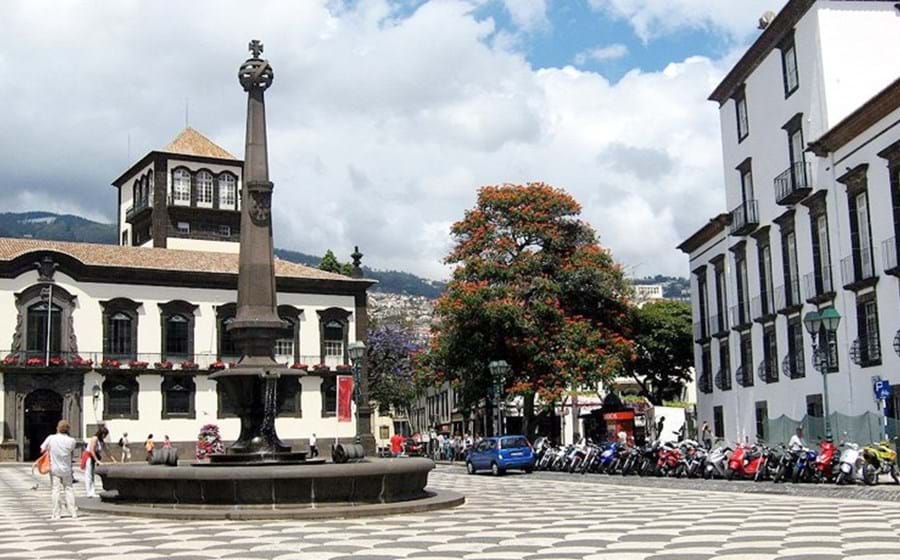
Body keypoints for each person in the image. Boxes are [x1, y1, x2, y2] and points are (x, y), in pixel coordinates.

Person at [40, 420, 78, 519]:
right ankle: (73, 512)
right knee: (69, 489)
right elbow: (71, 451)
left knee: (55, 490)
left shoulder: (51, 438)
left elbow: (42, 449)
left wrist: (50, 449)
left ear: (57, 428)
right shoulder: (72, 441)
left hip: (54, 468)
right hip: (66, 469)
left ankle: (56, 513)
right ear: (68, 429)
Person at [84, 426, 116, 498]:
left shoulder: (101, 441)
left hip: (93, 457)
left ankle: (92, 491)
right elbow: (92, 450)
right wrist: (97, 460)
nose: (105, 436)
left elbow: (106, 451)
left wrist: (113, 459)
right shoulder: (94, 439)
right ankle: (89, 492)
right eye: (104, 434)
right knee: (88, 474)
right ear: (101, 433)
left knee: (92, 475)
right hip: (89, 457)